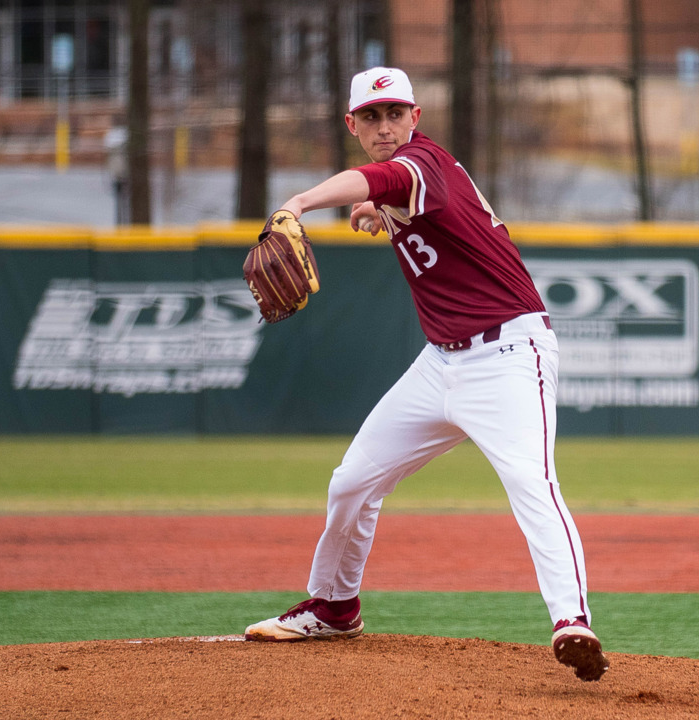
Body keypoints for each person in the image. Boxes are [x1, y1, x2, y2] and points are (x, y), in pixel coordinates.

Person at [243, 67, 608, 682]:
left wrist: (297, 203)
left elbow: (388, 177)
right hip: (440, 363)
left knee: (531, 482)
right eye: (371, 117)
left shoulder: (423, 163)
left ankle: (571, 621)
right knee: (352, 482)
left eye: (395, 114)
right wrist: (376, 211)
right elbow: (393, 196)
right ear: (352, 124)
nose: (384, 127)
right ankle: (333, 606)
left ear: (415, 118)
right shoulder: (407, 184)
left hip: (510, 357)